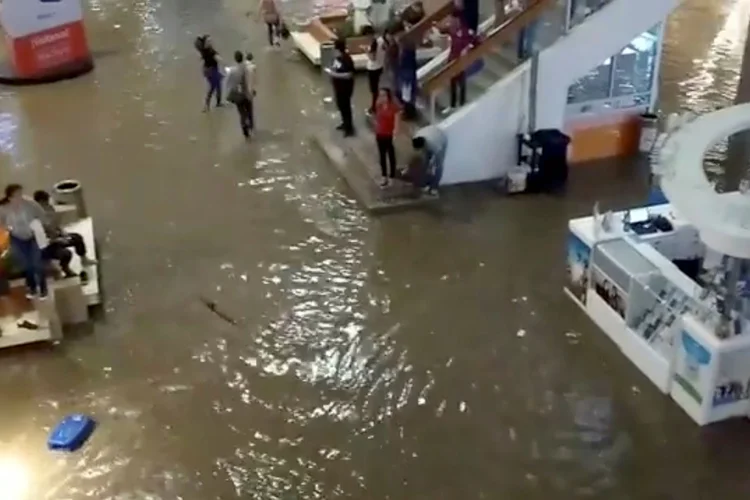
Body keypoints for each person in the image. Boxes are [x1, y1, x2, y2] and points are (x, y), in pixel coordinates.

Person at [33, 190, 96, 284]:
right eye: (44, 203)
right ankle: (66, 270)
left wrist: (63, 233)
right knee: (66, 254)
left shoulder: (50, 209)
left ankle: (84, 259)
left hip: (56, 236)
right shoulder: (35, 219)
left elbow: (55, 224)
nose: (47, 204)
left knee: (77, 238)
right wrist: (58, 240)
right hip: (46, 245)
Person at [0, 184, 48, 299]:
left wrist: (38, 224)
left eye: (21, 194)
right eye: (17, 196)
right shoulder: (4, 209)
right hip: (17, 238)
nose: (20, 198)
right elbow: (1, 222)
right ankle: (32, 288)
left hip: (33, 236)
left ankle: (43, 288)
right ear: (10, 198)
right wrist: (7, 228)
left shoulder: (30, 204)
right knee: (27, 265)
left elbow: (42, 215)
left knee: (37, 263)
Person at [445, 11, 477, 110]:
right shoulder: (451, 30)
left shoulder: (465, 31)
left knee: (461, 82)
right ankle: (452, 105)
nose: (452, 22)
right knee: (452, 83)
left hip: (461, 61)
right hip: (452, 59)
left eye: (453, 20)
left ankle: (462, 103)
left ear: (458, 20)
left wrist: (467, 48)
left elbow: (475, 40)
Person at [325, 39, 355, 137]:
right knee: (340, 106)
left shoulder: (347, 59)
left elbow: (349, 74)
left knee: (346, 107)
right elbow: (334, 68)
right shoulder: (336, 58)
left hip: (345, 88)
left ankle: (349, 128)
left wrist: (334, 74)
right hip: (337, 87)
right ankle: (344, 123)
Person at [225, 51, 255, 139]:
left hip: (237, 95)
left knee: (241, 113)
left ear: (235, 59)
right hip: (246, 93)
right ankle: (251, 127)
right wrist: (251, 92)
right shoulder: (248, 68)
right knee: (249, 111)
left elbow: (228, 83)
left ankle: (245, 131)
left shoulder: (232, 70)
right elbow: (250, 81)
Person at [374, 88, 400, 187]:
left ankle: (392, 175)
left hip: (389, 134)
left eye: (384, 95)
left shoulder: (393, 107)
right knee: (382, 155)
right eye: (380, 95)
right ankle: (384, 176)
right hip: (380, 133)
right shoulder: (379, 105)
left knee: (391, 154)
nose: (382, 97)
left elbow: (397, 121)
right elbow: (377, 117)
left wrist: (395, 132)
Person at [412, 124, 447, 195]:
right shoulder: (416, 137)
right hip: (430, 132)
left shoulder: (435, 145)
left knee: (439, 166)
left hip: (441, 139)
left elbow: (437, 158)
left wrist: (431, 165)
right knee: (425, 162)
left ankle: (434, 187)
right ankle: (426, 183)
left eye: (420, 149)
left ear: (424, 145)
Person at [195, 35, 223, 112]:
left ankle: (218, 102)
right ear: (205, 42)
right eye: (209, 41)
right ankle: (206, 105)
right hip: (211, 71)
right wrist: (221, 59)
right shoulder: (211, 52)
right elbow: (219, 59)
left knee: (218, 85)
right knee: (213, 87)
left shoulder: (203, 50)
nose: (211, 42)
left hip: (208, 69)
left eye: (211, 40)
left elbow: (201, 58)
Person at [366, 32, 385, 114]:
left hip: (373, 68)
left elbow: (372, 57)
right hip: (380, 66)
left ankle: (374, 107)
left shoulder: (375, 43)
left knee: (374, 90)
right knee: (378, 88)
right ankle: (377, 105)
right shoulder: (382, 40)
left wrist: (366, 51)